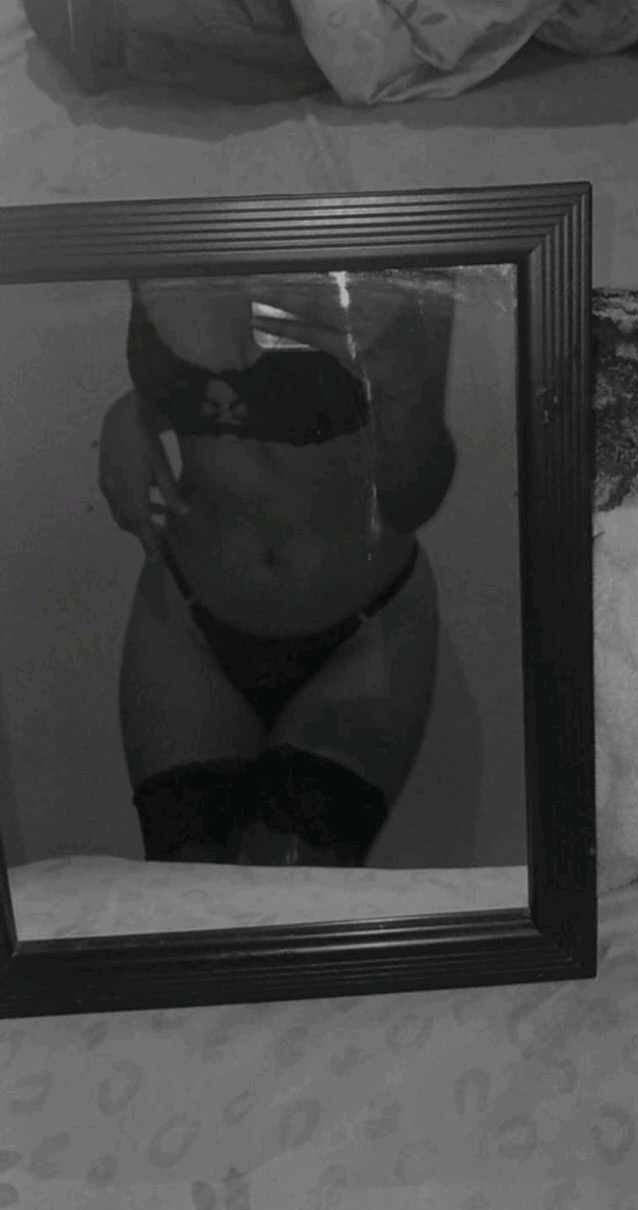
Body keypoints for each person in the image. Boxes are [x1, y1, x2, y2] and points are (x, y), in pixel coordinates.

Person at [99, 269, 457, 866]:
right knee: (189, 898)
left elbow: (413, 497)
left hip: (363, 635)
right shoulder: (157, 222)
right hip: (185, 625)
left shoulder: (389, 235)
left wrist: (403, 382)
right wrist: (129, 413)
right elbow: (194, 385)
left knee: (287, 896)